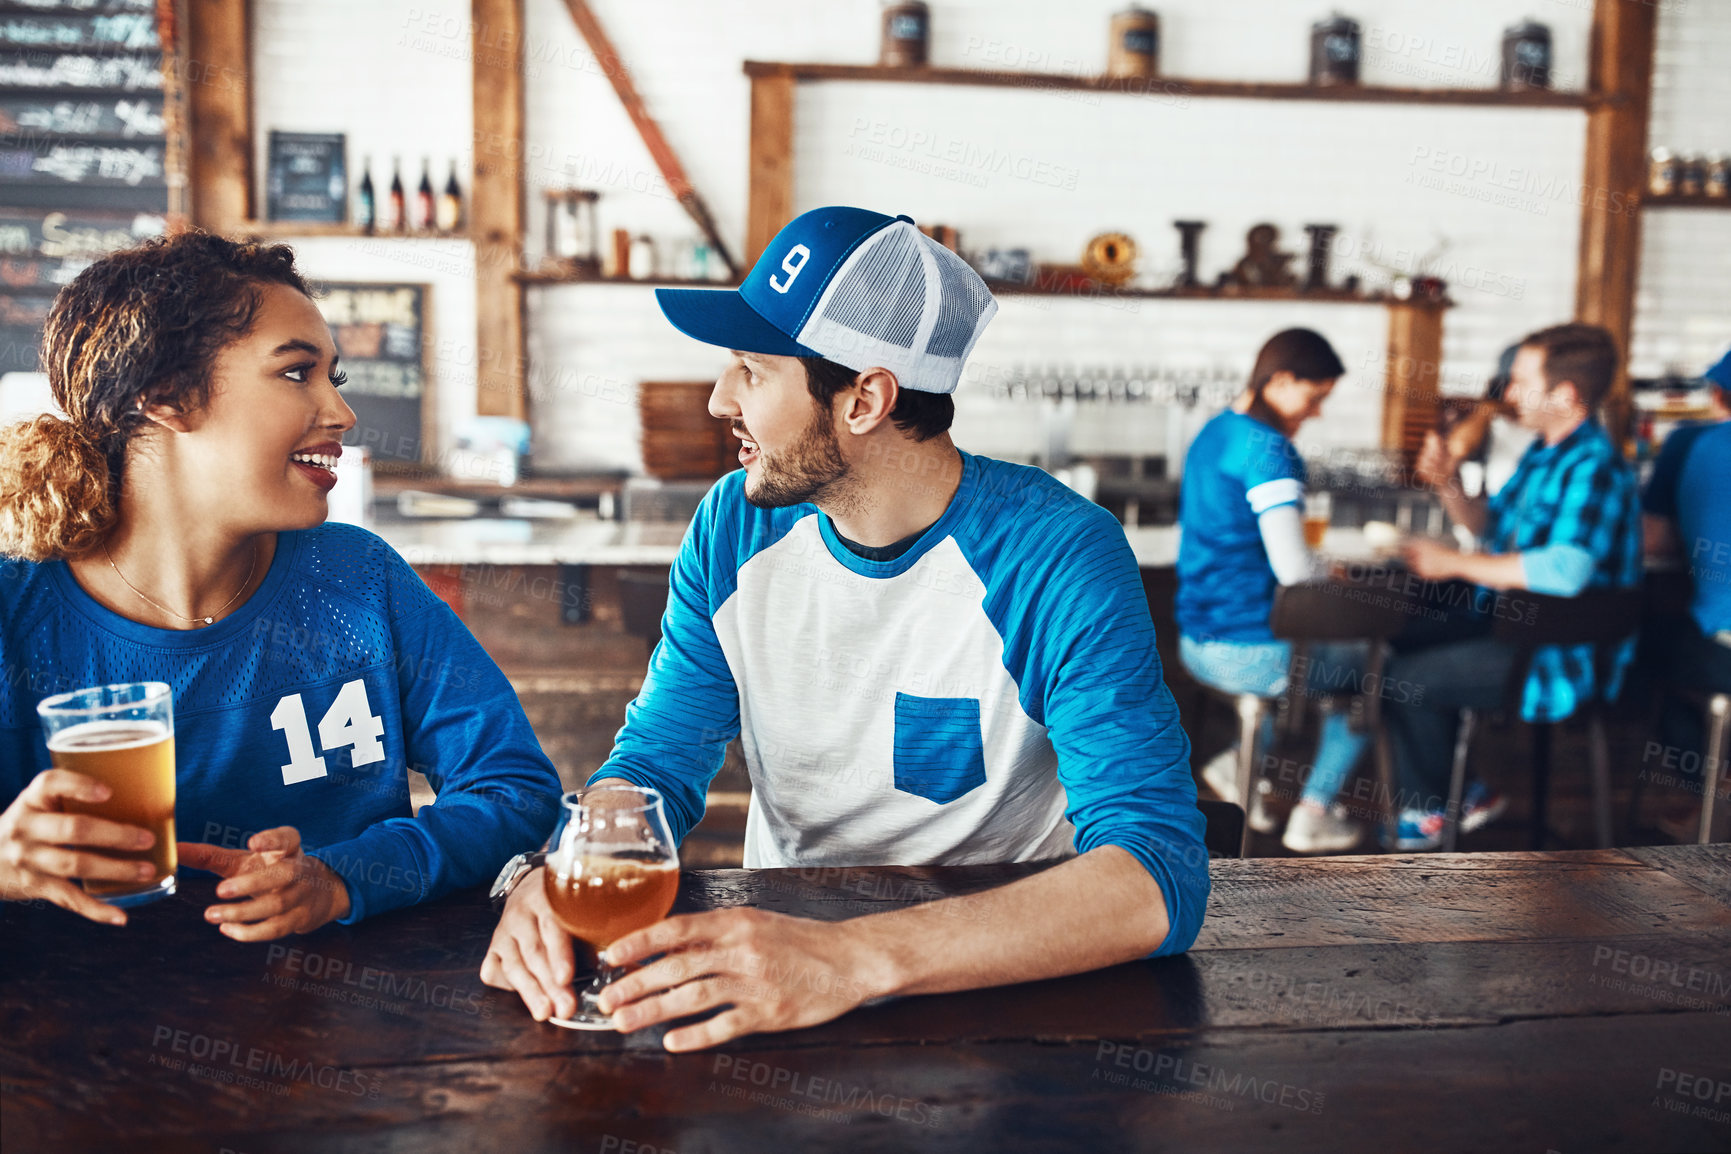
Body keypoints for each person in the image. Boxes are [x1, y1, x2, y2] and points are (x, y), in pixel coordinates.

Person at [481, 206, 1209, 1051]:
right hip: (775, 972)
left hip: (1003, 988)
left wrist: (849, 959)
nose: (721, 399)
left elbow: (1155, 878)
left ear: (865, 399)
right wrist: (571, 867)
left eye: (752, 370)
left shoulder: (1055, 553)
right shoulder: (733, 526)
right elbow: (656, 762)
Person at [0, 231, 561, 936]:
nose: (342, 414)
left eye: (335, 378)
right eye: (297, 373)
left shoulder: (358, 578)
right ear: (166, 395)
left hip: (343, 1022)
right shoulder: (13, 614)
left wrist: (341, 879)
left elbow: (513, 788)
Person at [1396, 322, 1642, 849]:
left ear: (1565, 395)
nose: (1507, 393)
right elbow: (1490, 528)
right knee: (1393, 639)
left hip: (1558, 654)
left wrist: (1456, 565)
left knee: (1405, 680)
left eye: (1520, 380)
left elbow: (1564, 570)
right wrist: (1446, 481)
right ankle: (1451, 801)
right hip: (1512, 628)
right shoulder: (1544, 453)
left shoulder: (1593, 465)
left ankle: (1439, 812)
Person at [1175, 328, 1374, 854]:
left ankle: (1234, 765)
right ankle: (1313, 815)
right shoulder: (1268, 450)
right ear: (1280, 381)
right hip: (1251, 653)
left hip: (1198, 642)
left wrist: (1317, 565)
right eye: (1314, 398)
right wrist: (1328, 571)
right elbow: (1291, 567)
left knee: (1309, 671)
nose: (1316, 413)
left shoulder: (1216, 430)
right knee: (1374, 674)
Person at [1638, 348, 1731, 837]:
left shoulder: (1693, 444)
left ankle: (1712, 802)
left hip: (1720, 648)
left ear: (1717, 396)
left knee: (1646, 655)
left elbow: (1655, 541)